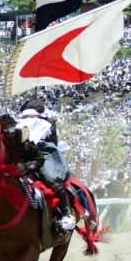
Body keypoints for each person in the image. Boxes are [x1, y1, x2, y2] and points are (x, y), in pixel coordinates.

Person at [14, 98, 82, 235]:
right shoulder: (32, 124)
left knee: (52, 178)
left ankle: (65, 213)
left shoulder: (42, 124)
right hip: (25, 154)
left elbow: (49, 143)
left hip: (39, 156)